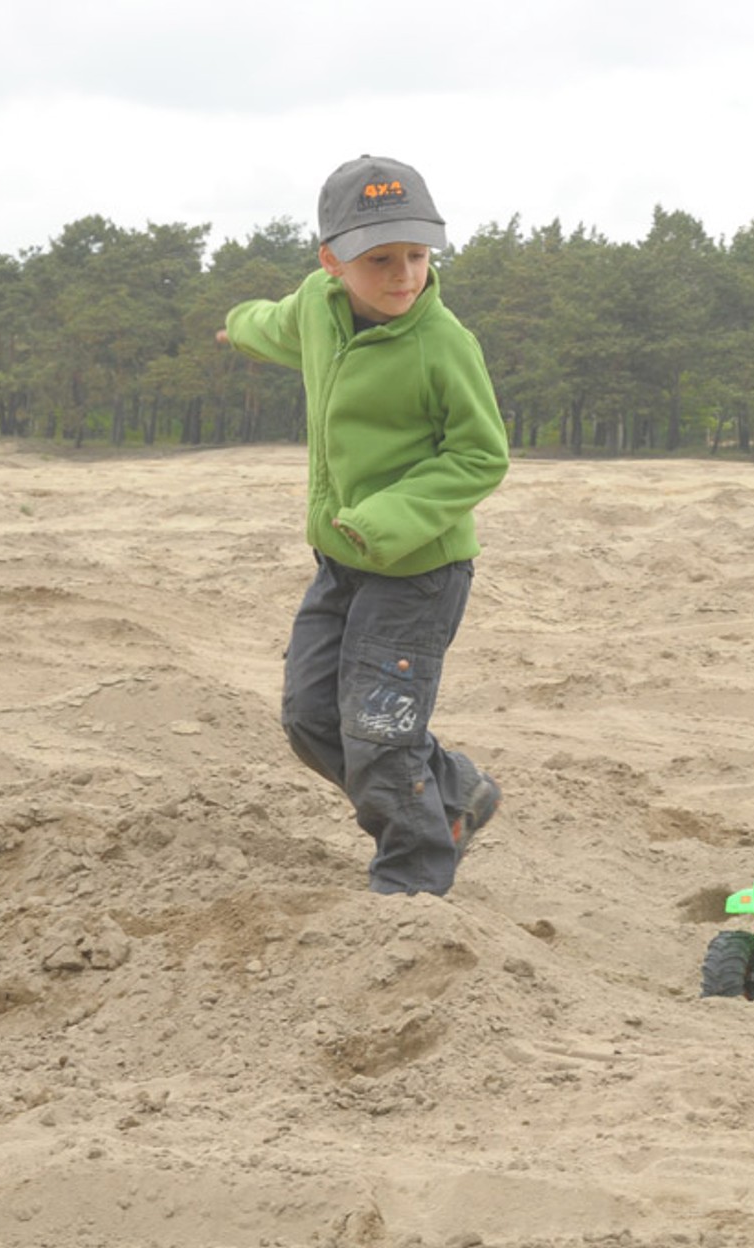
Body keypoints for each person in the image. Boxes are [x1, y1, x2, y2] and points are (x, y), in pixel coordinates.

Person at [219, 155, 509, 896]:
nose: (403, 275)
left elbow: (481, 455)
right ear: (333, 261)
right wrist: (237, 327)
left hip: (418, 571)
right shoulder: (318, 309)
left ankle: (411, 882)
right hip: (341, 562)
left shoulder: (444, 344)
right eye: (380, 259)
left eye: (417, 255)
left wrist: (381, 521)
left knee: (380, 736)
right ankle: (457, 791)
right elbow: (274, 325)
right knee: (309, 717)